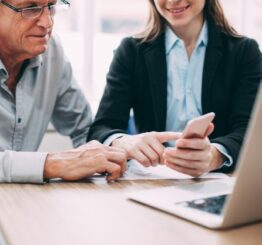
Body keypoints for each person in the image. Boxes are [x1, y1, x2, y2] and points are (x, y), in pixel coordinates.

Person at [0, 0, 127, 244]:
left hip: (20, 210)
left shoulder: (52, 51)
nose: (47, 22)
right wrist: (48, 164)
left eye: (52, 5)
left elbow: (85, 129)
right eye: (30, 8)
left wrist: (120, 143)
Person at [88, 0, 262, 177]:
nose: (172, 1)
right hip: (152, 180)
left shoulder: (244, 52)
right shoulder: (131, 51)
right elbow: (101, 128)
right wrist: (122, 141)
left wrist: (214, 155)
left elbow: (249, 131)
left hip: (219, 180)